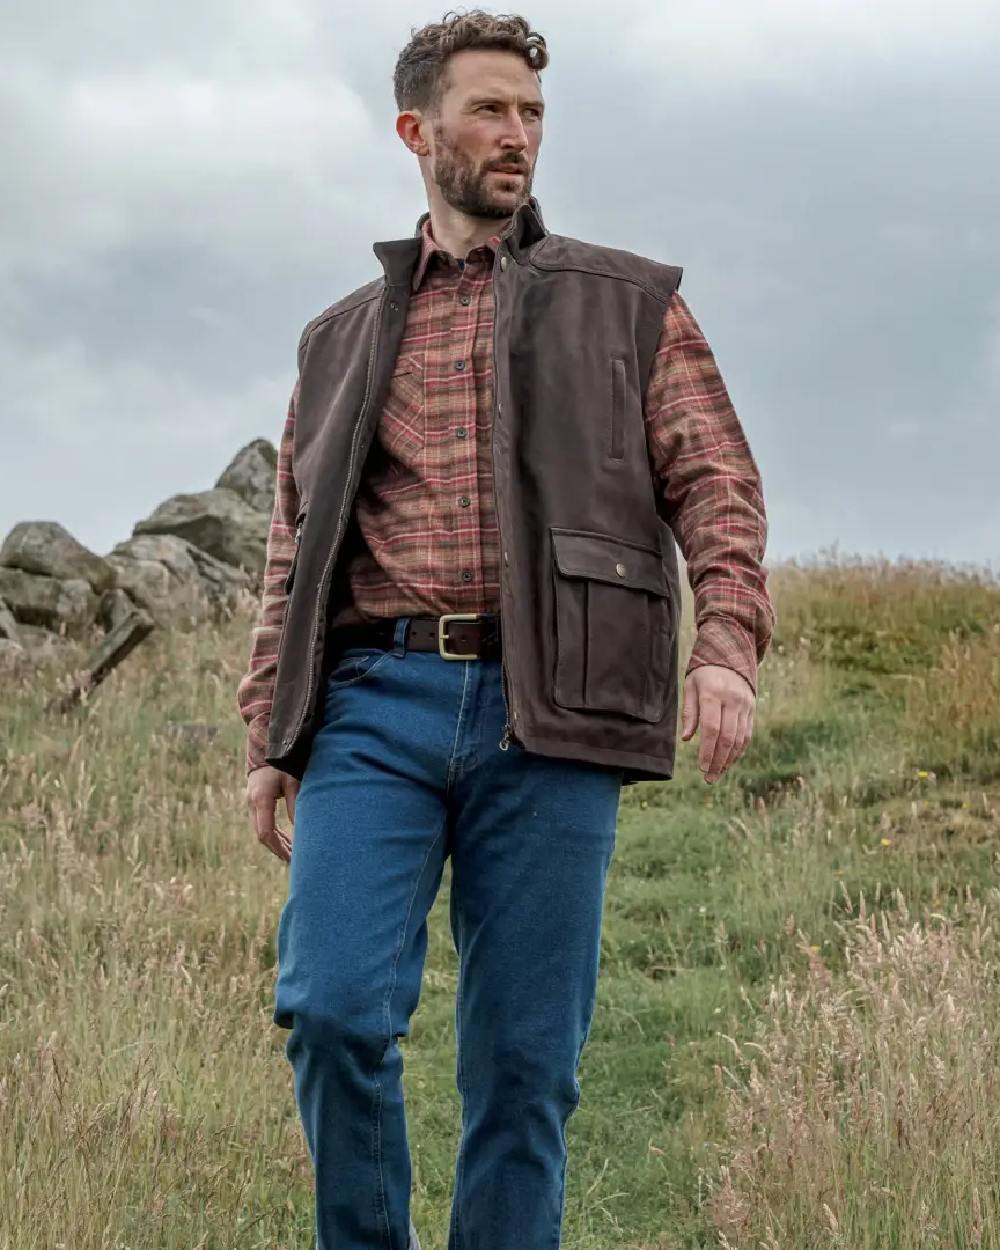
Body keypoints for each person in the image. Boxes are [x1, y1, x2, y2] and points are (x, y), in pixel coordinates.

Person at [237, 10, 776, 1249]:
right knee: (329, 1007)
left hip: (557, 706)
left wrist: (725, 647)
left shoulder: (631, 304)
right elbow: (291, 548)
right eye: (489, 109)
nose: (516, 134)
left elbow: (718, 481)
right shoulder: (335, 341)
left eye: (531, 113)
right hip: (374, 704)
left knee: (526, 1062)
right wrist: (273, 729)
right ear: (416, 130)